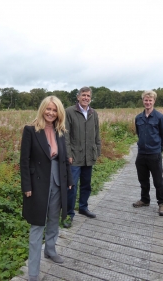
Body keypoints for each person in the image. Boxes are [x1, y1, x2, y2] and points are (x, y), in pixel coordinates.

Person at [20, 96, 73, 281]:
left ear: (59, 112)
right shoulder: (30, 130)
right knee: (37, 225)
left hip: (58, 181)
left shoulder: (60, 131)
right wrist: (26, 185)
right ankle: (33, 273)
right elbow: (24, 161)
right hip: (37, 184)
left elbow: (64, 157)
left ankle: (50, 249)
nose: (51, 113)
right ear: (42, 109)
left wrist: (69, 179)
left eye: (54, 110)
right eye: (48, 109)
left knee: (53, 219)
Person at [63, 86, 101, 228]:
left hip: (88, 155)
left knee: (86, 184)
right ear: (78, 97)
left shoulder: (93, 113)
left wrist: (97, 150)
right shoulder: (69, 112)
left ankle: (83, 207)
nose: (86, 98)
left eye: (88, 96)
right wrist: (68, 154)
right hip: (74, 156)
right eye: (83, 95)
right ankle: (68, 214)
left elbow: (97, 133)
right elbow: (65, 135)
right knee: (71, 186)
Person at [133, 90, 163, 216]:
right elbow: (139, 133)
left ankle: (162, 203)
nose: (148, 102)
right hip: (141, 154)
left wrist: (159, 150)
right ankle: (145, 199)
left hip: (154, 154)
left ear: (154, 101)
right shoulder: (138, 118)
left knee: (158, 180)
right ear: (143, 101)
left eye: (150, 100)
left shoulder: (160, 117)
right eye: (146, 100)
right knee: (143, 179)